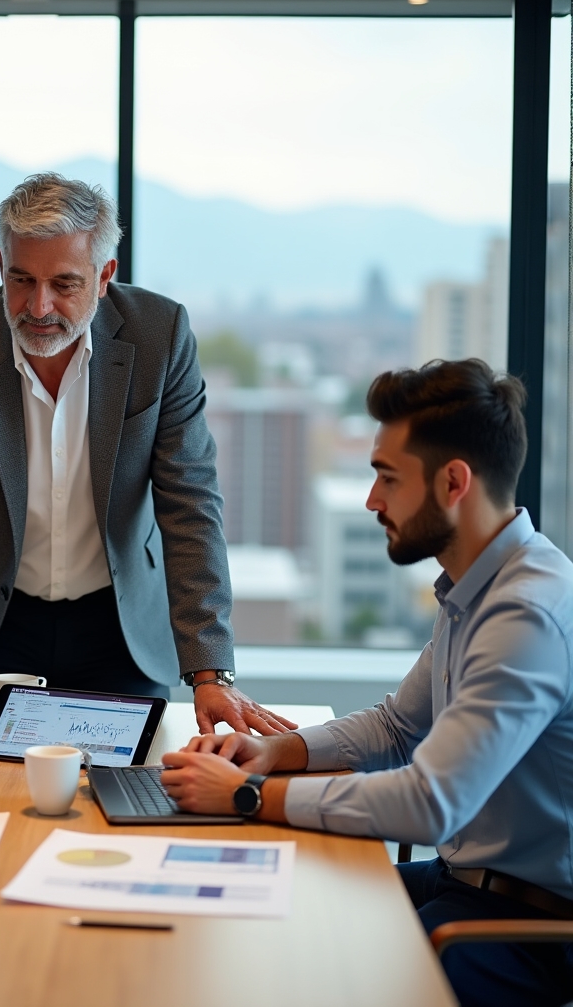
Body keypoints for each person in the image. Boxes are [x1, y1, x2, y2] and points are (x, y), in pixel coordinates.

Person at [0, 173, 295, 742]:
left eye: (64, 283)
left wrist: (211, 671)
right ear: (1, 264)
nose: (38, 306)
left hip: (119, 626)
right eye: (21, 279)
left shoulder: (160, 338)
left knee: (128, 788)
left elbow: (190, 508)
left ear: (104, 275)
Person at [160, 359, 573, 1007]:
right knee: (274, 916)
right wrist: (270, 753)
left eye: (388, 477)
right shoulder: (480, 588)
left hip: (528, 930)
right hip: (461, 883)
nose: (372, 500)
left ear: (454, 482)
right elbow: (398, 727)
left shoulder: (526, 614)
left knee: (318, 981)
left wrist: (247, 796)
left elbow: (431, 802)